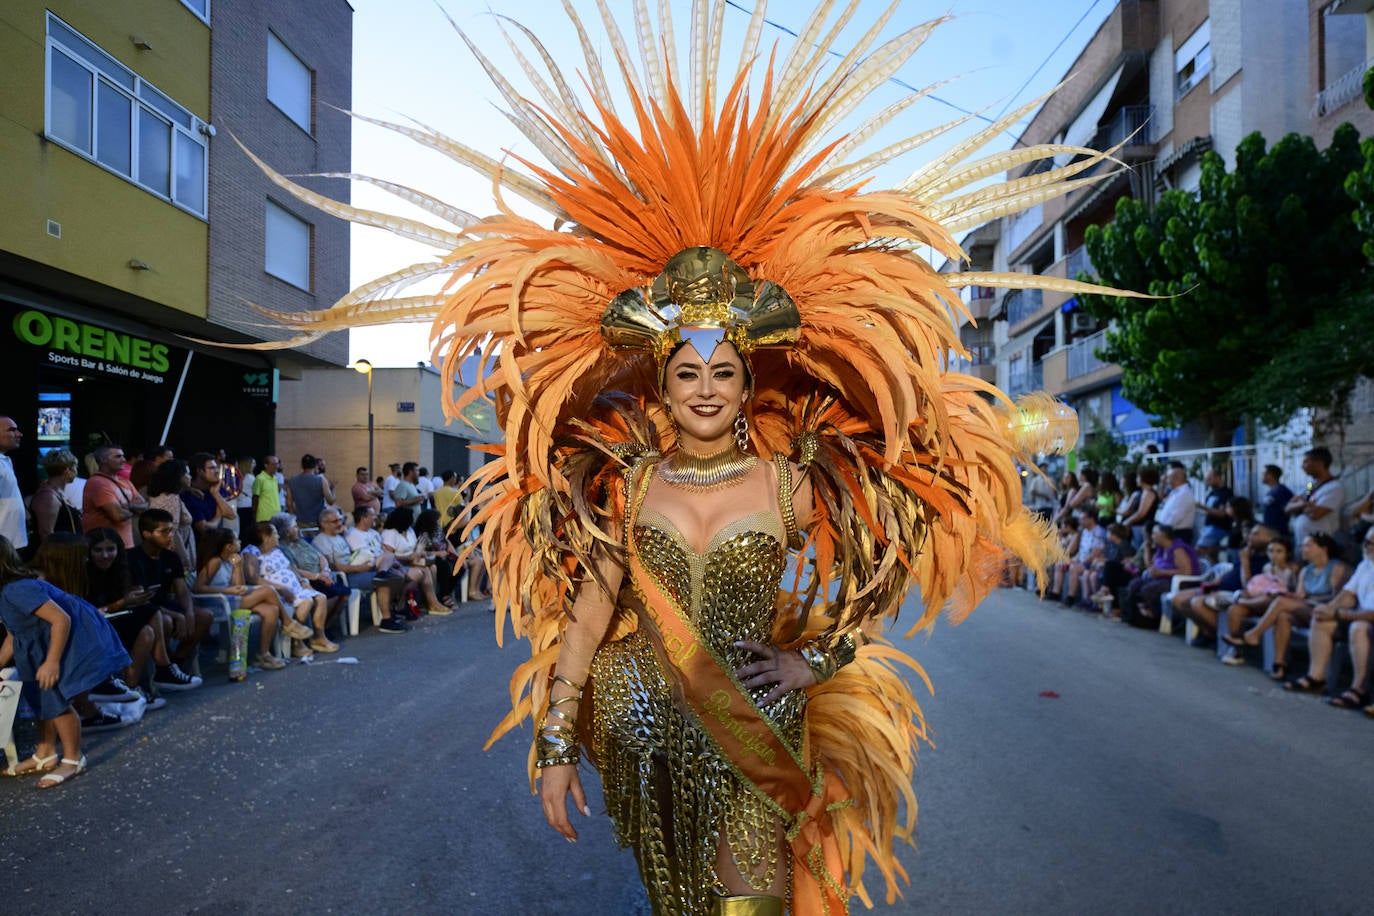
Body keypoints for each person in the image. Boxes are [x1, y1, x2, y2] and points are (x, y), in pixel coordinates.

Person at [235, 6, 1113, 909]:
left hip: (756, 721)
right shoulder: (630, 479)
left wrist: (821, 659)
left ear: (745, 380)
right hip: (639, 723)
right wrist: (555, 743)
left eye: (724, 371)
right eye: (685, 369)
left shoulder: (789, 477)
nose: (704, 387)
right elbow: (586, 618)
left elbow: (885, 553)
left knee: (749, 906)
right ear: (662, 378)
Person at [0, 534, 130, 788]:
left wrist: (52, 662)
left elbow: (61, 619)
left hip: (70, 642)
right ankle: (45, 752)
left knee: (55, 699)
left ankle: (73, 759)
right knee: (39, 698)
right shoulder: (6, 593)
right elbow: (13, 633)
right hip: (39, 646)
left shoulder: (17, 590)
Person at [1222, 532, 1350, 680]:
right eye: (1302, 546)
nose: (1303, 549)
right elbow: (1300, 595)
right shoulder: (1306, 570)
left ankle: (1254, 635)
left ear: (1324, 549)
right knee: (1283, 616)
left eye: (1308, 546)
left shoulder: (1336, 567)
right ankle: (1279, 664)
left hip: (1327, 612)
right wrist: (1290, 596)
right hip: (1308, 609)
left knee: (1281, 603)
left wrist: (1307, 599)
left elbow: (1338, 598)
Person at [1285, 531, 1374, 707]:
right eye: (1366, 541)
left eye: (1371, 543)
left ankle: (1358, 689)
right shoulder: (1366, 564)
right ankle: (1316, 677)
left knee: (1358, 627)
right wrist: (1329, 608)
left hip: (1367, 621)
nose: (1366, 546)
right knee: (1322, 618)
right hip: (1360, 615)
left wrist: (1338, 614)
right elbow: (1348, 594)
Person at [194, 528, 300, 670]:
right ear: (228, 546)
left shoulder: (231, 561)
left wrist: (238, 567)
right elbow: (198, 588)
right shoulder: (215, 561)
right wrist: (227, 590)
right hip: (217, 604)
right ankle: (288, 622)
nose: (240, 541)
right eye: (236, 540)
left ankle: (263, 654)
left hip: (231, 600)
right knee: (269, 590)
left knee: (271, 610)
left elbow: (238, 587)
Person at [127, 509, 206, 692]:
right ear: (146, 534)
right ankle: (163, 671)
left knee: (204, 617)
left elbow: (182, 590)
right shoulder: (132, 558)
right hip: (145, 609)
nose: (170, 536)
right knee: (167, 621)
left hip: (165, 605)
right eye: (164, 532)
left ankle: (175, 663)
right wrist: (177, 615)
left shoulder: (171, 557)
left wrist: (188, 612)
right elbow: (141, 599)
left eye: (171, 531)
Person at [84, 527, 163, 701]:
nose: (105, 555)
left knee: (149, 626)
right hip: (93, 627)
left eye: (110, 549)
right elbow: (89, 612)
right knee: (151, 614)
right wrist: (122, 603)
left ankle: (131, 687)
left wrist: (135, 596)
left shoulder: (119, 570)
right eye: (98, 550)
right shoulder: (84, 574)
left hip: (115, 621)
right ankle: (163, 667)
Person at [240, 522, 334, 656]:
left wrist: (303, 581)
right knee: (307, 602)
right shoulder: (251, 552)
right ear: (265, 537)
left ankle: (319, 637)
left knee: (321, 597)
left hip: (295, 590)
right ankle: (296, 643)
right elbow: (252, 578)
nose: (278, 536)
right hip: (278, 594)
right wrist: (280, 588)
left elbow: (291, 568)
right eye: (274, 533)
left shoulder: (276, 551)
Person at [271, 513, 349, 635]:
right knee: (333, 594)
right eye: (295, 527)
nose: (298, 529)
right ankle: (317, 629)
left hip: (322, 576)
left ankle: (325, 626)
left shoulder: (300, 542)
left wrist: (325, 571)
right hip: (308, 580)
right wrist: (318, 576)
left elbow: (320, 556)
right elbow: (294, 570)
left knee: (344, 592)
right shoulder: (282, 549)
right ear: (287, 531)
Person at [1117, 524, 1200, 626]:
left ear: (1163, 535)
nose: (1152, 536)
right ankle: (1134, 615)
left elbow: (1187, 572)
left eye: (1154, 534)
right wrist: (1147, 548)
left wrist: (1162, 572)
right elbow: (1150, 566)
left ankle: (1153, 617)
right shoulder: (1160, 549)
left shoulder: (1178, 549)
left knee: (1147, 589)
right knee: (1134, 584)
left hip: (1178, 582)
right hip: (1160, 578)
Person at [342, 506, 408, 633]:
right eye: (373, 515)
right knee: (386, 580)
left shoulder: (374, 533)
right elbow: (363, 556)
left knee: (400, 575)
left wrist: (393, 564)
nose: (375, 517)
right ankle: (387, 619)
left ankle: (391, 608)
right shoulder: (351, 534)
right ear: (364, 518)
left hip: (376, 568)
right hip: (360, 572)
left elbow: (383, 551)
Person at [380, 507, 449, 615]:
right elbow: (388, 556)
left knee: (433, 568)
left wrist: (419, 550)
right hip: (399, 563)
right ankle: (432, 603)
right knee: (425, 570)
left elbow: (414, 547)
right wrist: (408, 557)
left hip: (412, 560)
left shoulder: (409, 530)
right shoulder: (390, 533)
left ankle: (426, 601)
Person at [81, 444, 148, 548]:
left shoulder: (125, 481)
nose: (124, 460)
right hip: (104, 548)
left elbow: (145, 506)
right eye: (118, 456)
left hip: (126, 545)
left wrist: (130, 507)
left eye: (123, 456)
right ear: (103, 460)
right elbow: (118, 515)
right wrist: (134, 509)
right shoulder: (97, 482)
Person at [1285, 447, 1344, 550]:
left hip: (1319, 545)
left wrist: (1300, 506)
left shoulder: (1334, 488)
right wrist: (1304, 505)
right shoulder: (1310, 486)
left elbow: (1316, 514)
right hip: (1301, 542)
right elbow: (1288, 507)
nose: (1302, 466)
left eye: (1306, 462)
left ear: (1319, 464)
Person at [147, 459, 196, 571]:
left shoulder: (162, 495)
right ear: (178, 477)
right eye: (186, 473)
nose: (190, 477)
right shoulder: (171, 498)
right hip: (175, 554)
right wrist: (184, 559)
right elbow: (172, 531)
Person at [30, 448, 82, 545]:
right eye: (76, 467)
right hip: (57, 556)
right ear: (67, 470)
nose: (76, 471)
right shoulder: (47, 496)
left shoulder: (56, 492)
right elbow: (46, 535)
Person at [181, 451, 236, 542]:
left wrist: (216, 494)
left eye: (216, 467)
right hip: (200, 548)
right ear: (199, 471)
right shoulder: (188, 495)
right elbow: (204, 529)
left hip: (218, 545)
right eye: (212, 468)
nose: (217, 471)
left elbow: (231, 515)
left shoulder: (216, 488)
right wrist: (218, 516)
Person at [0, 416, 28, 552]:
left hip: (12, 542)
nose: (19, 434)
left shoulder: (5, 461)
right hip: (4, 545)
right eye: (12, 430)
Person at [284, 454, 334, 528]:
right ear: (315, 466)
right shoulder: (321, 480)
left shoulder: (292, 480)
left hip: (300, 521)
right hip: (318, 521)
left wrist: (293, 519)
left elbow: (289, 503)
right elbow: (330, 501)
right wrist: (332, 490)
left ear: (301, 465)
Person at [1195, 467, 1234, 561]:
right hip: (1209, 526)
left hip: (1219, 527)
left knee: (1199, 549)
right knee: (1212, 555)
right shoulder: (1211, 493)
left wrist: (1202, 507)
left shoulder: (1226, 493)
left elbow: (1222, 513)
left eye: (1210, 479)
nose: (1208, 482)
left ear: (1218, 477)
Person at [1154, 462, 1197, 543]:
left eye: (1168, 478)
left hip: (1178, 534)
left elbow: (1175, 517)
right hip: (1169, 532)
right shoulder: (1176, 492)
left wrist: (1162, 531)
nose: (1166, 481)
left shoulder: (1184, 493)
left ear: (1175, 478)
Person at [1121, 464, 1160, 549]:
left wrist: (1127, 522)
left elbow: (1141, 513)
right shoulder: (1144, 492)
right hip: (1137, 527)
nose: (1136, 480)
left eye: (1138, 477)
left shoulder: (1148, 493)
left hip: (1142, 528)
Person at [1258, 464, 1293, 537]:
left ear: (1270, 475)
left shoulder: (1281, 491)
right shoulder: (1271, 491)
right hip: (1270, 532)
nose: (1261, 476)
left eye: (1263, 474)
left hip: (1278, 533)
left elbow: (1287, 510)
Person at [251, 455, 282, 523]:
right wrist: (254, 515)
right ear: (266, 465)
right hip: (264, 517)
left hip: (277, 516)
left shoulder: (275, 478)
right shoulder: (260, 478)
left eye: (277, 464)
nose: (276, 466)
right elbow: (255, 498)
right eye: (273, 464)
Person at [234, 456, 257, 533]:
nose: (255, 465)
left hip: (239, 505)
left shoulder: (239, 476)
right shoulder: (250, 477)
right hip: (248, 505)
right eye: (253, 463)